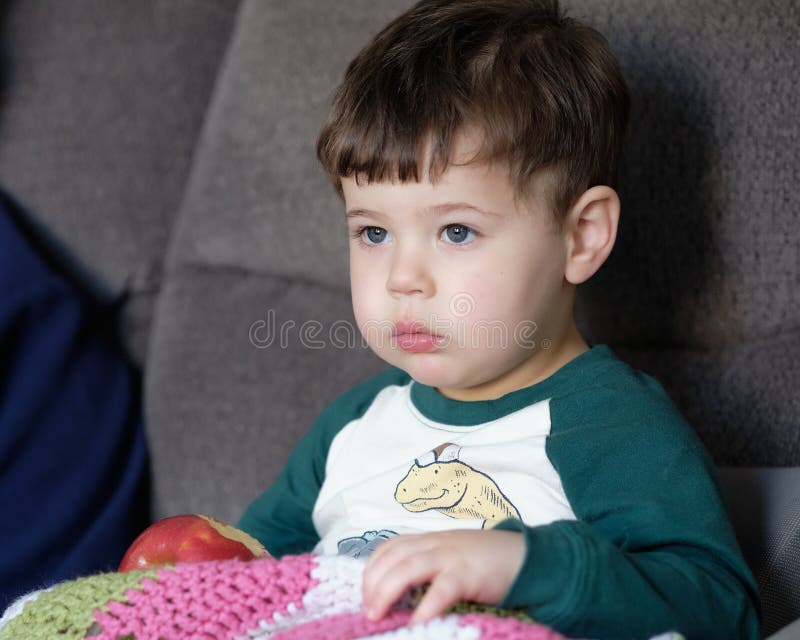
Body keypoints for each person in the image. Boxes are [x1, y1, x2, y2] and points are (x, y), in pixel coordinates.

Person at [238, 1, 761, 637]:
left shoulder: (610, 427)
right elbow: (243, 572)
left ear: (580, 237)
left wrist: (530, 564)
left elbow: (722, 609)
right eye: (373, 232)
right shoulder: (352, 425)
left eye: (456, 231)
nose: (403, 278)